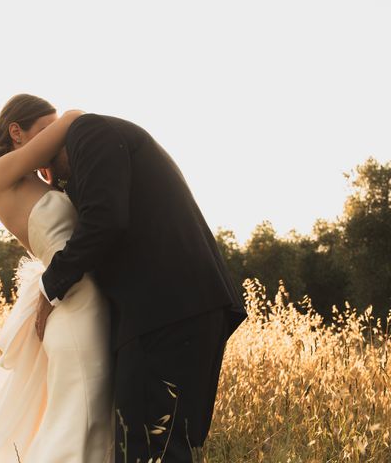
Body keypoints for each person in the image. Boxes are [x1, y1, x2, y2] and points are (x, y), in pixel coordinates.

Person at [36, 111, 248, 462]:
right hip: (180, 309)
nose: (43, 178)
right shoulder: (106, 140)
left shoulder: (88, 131)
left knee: (147, 450)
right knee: (163, 447)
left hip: (166, 312)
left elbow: (104, 219)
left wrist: (48, 288)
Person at [0, 94, 114, 463]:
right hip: (74, 310)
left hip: (85, 301)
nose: (56, 139)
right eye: (45, 130)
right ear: (17, 132)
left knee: (89, 420)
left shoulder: (42, 183)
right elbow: (75, 117)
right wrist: (59, 129)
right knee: (78, 422)